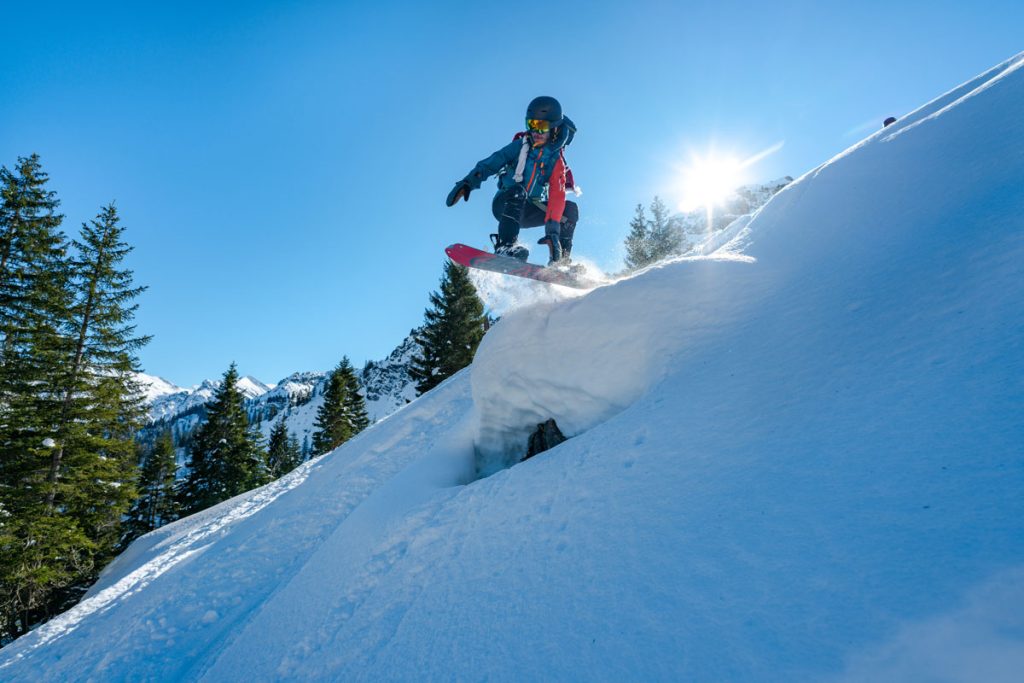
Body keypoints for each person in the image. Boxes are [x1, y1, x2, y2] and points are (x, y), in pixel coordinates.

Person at [446, 96, 578, 265]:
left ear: (553, 129)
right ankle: (505, 246)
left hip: (530, 209)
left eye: (541, 126)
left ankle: (561, 261)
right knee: (518, 191)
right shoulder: (521, 146)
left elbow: (556, 197)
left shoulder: (556, 162)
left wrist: (552, 234)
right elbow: (493, 162)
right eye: (531, 124)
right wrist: (468, 182)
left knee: (570, 210)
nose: (535, 131)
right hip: (505, 204)